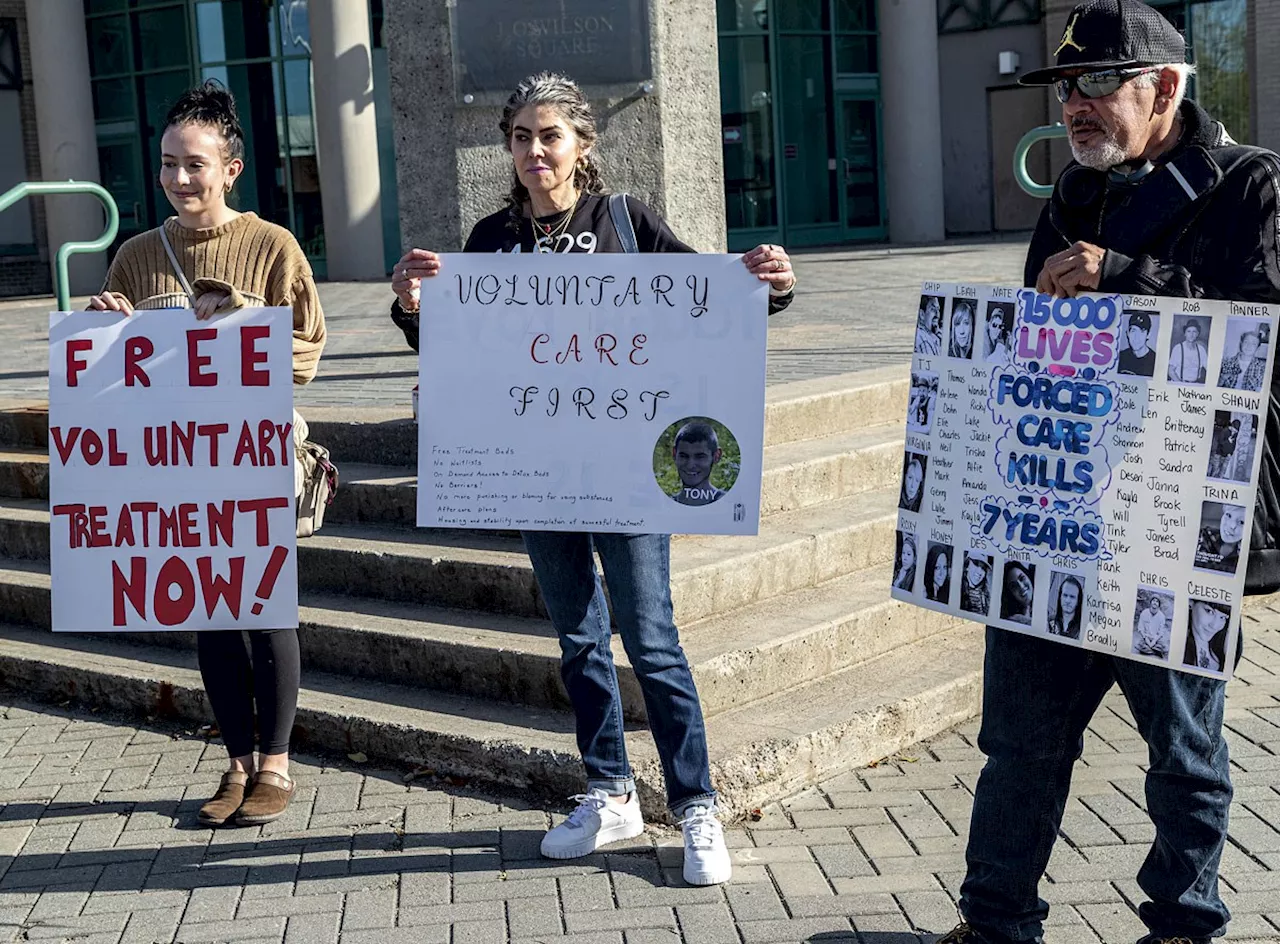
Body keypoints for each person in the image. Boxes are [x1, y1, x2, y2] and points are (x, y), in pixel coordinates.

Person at [387, 72, 796, 886]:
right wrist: (412, 306)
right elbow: (458, 349)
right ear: (507, 149)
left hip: (627, 472)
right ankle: (609, 793)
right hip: (539, 470)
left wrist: (768, 284)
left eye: (550, 136)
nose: (535, 152)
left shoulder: (627, 221)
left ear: (583, 144)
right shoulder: (493, 239)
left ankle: (696, 806)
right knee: (577, 639)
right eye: (521, 138)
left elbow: (711, 303)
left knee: (651, 638)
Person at [939, 1, 1280, 941]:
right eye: (1064, 88)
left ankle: (1184, 923)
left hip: (1170, 534)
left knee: (1183, 751)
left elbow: (1265, 341)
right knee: (1018, 745)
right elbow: (1034, 349)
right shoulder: (1070, 195)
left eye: (1095, 85)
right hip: (1056, 515)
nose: (1073, 108)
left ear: (1163, 87)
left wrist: (1129, 276)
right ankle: (996, 921)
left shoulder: (1249, 184)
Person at [85, 80, 326, 828]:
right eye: (167, 164)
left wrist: (238, 326)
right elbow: (107, 376)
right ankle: (236, 764)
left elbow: (307, 353)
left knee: (267, 609)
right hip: (175, 460)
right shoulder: (134, 256)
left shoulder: (272, 246)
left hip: (251, 452)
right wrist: (105, 327)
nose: (180, 179)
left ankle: (278, 766)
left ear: (231, 167)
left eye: (195, 164)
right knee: (213, 617)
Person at [670, 422, 725, 506]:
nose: (690, 465)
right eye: (684, 456)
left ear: (716, 456)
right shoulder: (665, 505)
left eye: (700, 457)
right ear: (674, 454)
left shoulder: (728, 503)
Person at [1195, 503, 1245, 574]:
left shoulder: (1247, 554)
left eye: (1241, 522)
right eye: (1228, 515)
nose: (1232, 526)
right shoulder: (1204, 534)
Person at [1183, 601, 1230, 673]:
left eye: (1222, 617)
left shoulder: (1223, 645)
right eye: (1209, 611)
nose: (1214, 626)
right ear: (1190, 603)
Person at [1167, 318, 1208, 384]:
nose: (1191, 334)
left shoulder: (1201, 349)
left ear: (1197, 334)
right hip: (1178, 383)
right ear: (1185, 334)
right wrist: (1180, 384)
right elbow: (1170, 371)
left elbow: (1209, 368)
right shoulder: (1178, 348)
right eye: (1188, 331)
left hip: (1195, 384)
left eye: (1194, 331)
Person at [1117, 311, 1156, 376]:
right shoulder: (1120, 357)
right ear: (1128, 334)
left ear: (1148, 335)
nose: (1136, 337)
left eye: (1142, 331)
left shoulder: (1155, 361)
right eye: (1133, 331)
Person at [1047, 575, 1083, 639]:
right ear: (1060, 597)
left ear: (1078, 601)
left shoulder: (1082, 627)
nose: (1067, 601)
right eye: (1065, 595)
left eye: (1072, 597)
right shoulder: (1049, 621)